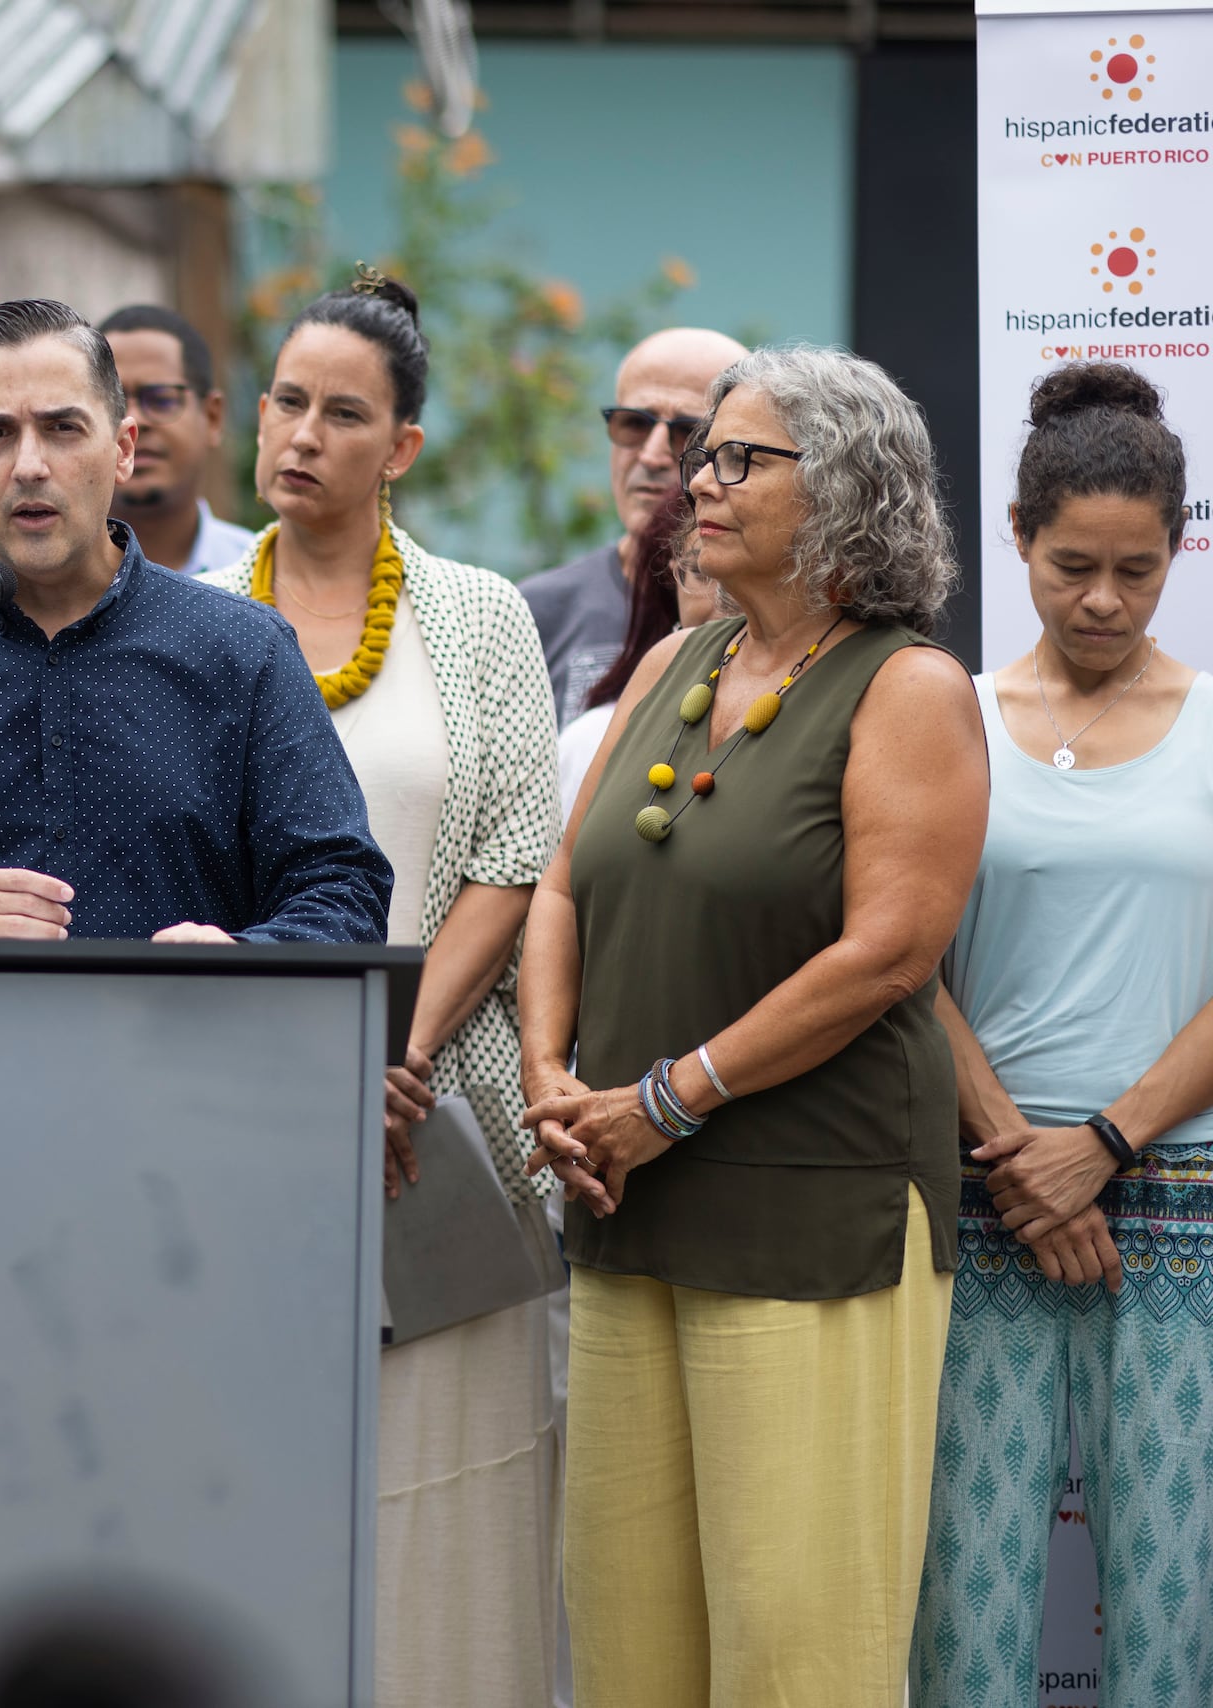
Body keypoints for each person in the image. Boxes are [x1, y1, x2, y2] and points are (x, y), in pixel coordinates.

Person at [520, 345, 986, 1706]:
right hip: (623, 1191)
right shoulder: (673, 657)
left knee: (797, 1642)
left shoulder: (907, 689)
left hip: (809, 1212)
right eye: (698, 454)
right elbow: (565, 882)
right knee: (625, 1631)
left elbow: (889, 952)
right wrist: (556, 1084)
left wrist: (662, 1102)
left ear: (845, 490)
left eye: (737, 458)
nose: (691, 477)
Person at [197, 270, 562, 1701]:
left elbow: (516, 861)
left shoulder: (478, 618)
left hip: (438, 1119)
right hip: (228, 1118)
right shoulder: (187, 620)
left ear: (401, 446)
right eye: (286, 401)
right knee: (247, 1485)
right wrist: (317, 1062)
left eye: (343, 413)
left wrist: (381, 1057)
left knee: (448, 1502)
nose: (302, 435)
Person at [0, 298, 393, 944]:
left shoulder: (243, 650)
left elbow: (346, 894)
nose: (30, 465)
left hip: (184, 1042)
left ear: (122, 449)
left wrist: (237, 959)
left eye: (63, 428)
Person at [911, 364, 1213, 1708]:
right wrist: (1020, 1158)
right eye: (1073, 563)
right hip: (984, 1206)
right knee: (963, 1609)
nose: (1104, 600)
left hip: (1180, 1199)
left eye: (1138, 571)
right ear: (1018, 539)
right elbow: (904, 961)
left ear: (1178, 551)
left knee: (1170, 1607)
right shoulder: (952, 718)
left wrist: (1103, 1142)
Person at [518, 327, 746, 721]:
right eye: (634, 425)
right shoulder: (529, 613)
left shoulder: (776, 615)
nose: (651, 455)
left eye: (688, 433)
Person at [554, 485, 720, 819]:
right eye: (703, 572)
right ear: (673, 577)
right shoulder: (592, 738)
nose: (726, 599)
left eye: (749, 571)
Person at [100, 304, 256, 576]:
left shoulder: (259, 576)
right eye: (116, 403)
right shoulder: (40, 581)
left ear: (212, 416)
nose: (134, 421)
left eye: (160, 400)